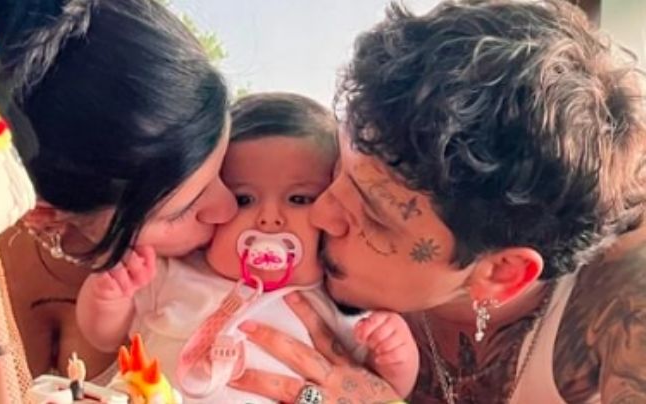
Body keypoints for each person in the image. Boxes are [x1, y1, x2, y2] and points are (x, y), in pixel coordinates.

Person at [229, 1, 646, 403]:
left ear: (501, 272)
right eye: (339, 168)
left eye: (374, 216)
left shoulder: (624, 303)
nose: (320, 213)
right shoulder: (300, 222)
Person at [0, 0, 236, 401]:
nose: (228, 209)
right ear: (44, 215)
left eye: (225, 170)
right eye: (183, 210)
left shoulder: (213, 288)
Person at [76, 92, 419, 403]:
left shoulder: (340, 301)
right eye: (243, 199)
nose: (269, 219)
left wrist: (395, 355)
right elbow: (104, 337)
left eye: (299, 199)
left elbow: (377, 390)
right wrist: (110, 295)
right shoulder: (174, 272)